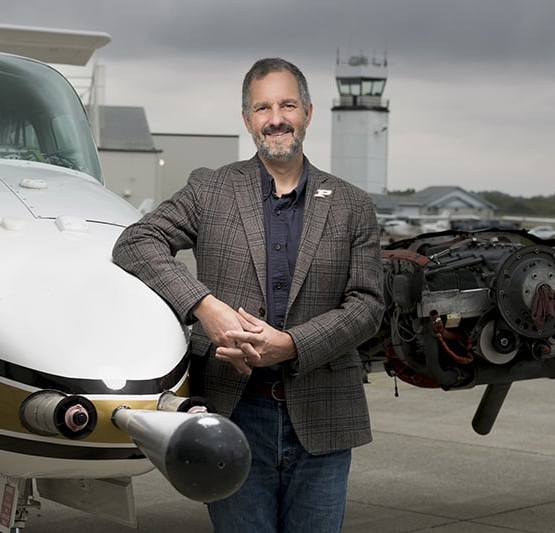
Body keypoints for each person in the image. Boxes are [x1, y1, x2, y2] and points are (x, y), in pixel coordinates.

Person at [112, 57, 384, 532]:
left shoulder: (352, 205)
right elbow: (134, 242)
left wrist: (293, 345)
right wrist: (205, 307)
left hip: (322, 413)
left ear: (308, 113)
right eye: (263, 108)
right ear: (246, 119)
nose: (276, 118)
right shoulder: (210, 189)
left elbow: (367, 306)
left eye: (287, 105)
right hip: (233, 412)